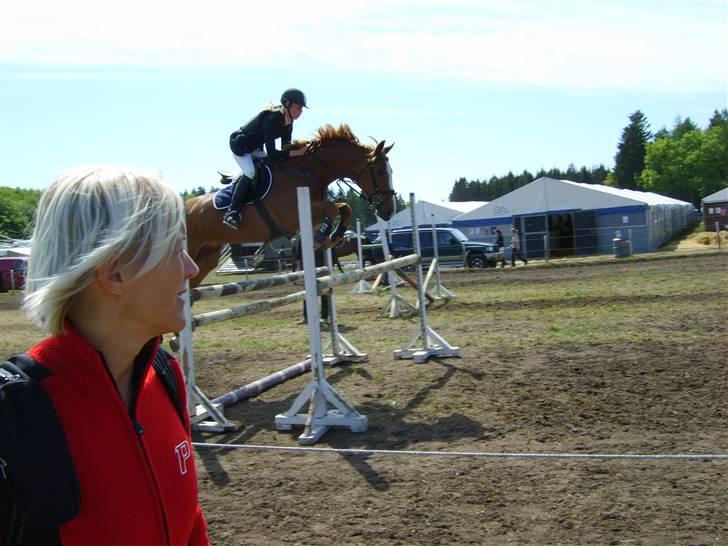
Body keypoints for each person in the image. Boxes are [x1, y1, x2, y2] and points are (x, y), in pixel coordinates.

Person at [10, 165, 209, 545]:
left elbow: (191, 525)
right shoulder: (16, 414)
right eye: (175, 249)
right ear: (115, 273)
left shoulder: (165, 375)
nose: (192, 268)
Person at [223, 88, 309, 230]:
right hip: (241, 146)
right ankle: (232, 212)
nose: (301, 111)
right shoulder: (272, 117)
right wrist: (298, 153)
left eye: (301, 109)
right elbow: (273, 152)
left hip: (255, 148)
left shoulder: (289, 123)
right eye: (298, 107)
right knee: (250, 172)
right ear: (287, 104)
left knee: (271, 166)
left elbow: (284, 149)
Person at [294, 236, 330, 326]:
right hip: (306, 269)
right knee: (306, 293)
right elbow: (298, 255)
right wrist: (298, 268)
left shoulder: (322, 236)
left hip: (321, 267)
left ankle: (324, 317)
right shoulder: (302, 238)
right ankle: (306, 317)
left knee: (324, 293)